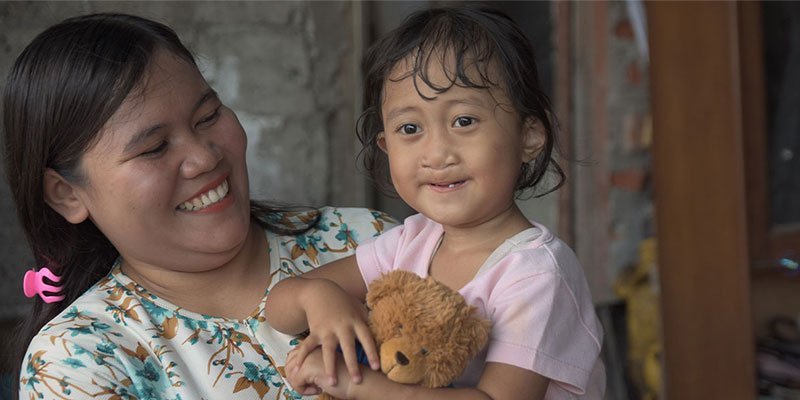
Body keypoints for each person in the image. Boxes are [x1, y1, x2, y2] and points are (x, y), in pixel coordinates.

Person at [3, 13, 397, 399]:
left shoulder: (370, 244)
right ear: (67, 194)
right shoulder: (80, 361)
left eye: (208, 116)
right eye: (154, 147)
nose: (204, 158)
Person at [264, 5, 606, 400]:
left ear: (528, 135)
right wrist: (318, 298)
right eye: (410, 129)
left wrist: (358, 386)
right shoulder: (409, 242)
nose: (437, 153)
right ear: (385, 146)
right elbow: (279, 306)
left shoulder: (536, 275)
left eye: (464, 121)